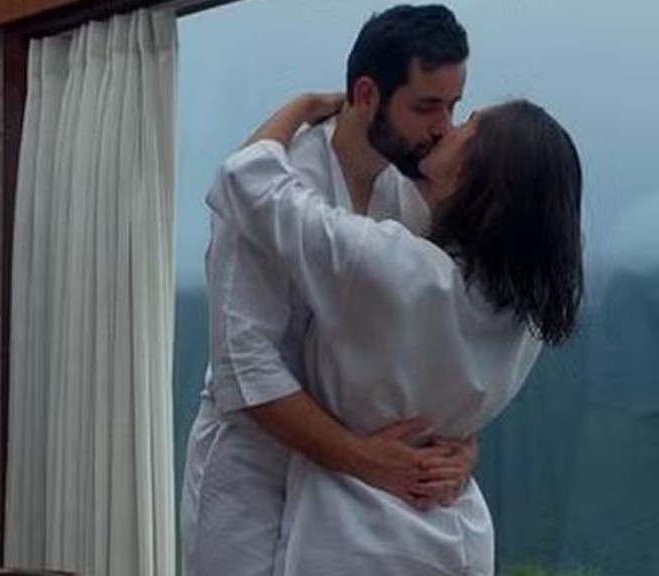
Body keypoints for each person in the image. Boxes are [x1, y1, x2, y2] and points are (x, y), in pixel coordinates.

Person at [208, 93, 584, 575]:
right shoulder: (526, 313)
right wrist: (466, 448)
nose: (446, 128)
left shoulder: (393, 267)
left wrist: (302, 107)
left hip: (355, 537)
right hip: (456, 531)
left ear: (478, 170)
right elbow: (454, 404)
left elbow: (247, 180)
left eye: (467, 124)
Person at [181, 6, 479, 576]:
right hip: (255, 470)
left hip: (363, 484)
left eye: (453, 106)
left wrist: (463, 448)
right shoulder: (272, 185)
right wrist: (361, 458)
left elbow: (450, 344)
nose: (444, 127)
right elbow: (244, 363)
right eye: (426, 106)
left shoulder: (415, 197)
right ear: (366, 94)